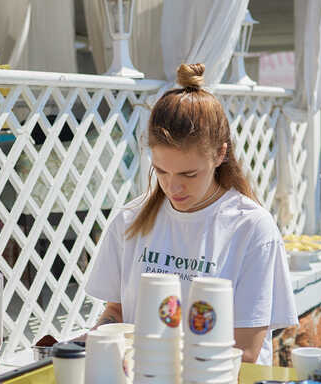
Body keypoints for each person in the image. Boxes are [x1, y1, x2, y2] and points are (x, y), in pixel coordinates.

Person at [86, 63, 298, 365]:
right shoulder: (130, 220)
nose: (173, 186)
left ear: (220, 155)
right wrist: (99, 338)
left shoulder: (251, 228)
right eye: (161, 171)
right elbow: (116, 313)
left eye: (188, 173)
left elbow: (247, 351)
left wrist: (151, 357)